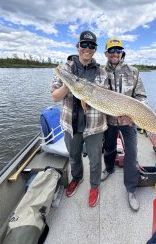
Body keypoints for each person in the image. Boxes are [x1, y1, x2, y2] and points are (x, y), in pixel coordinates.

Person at [51, 31, 108, 207]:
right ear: (78, 47)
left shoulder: (101, 72)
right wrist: (70, 85)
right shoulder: (65, 68)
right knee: (74, 156)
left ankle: (94, 186)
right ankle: (77, 178)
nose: (87, 49)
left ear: (95, 50)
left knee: (96, 159)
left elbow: (105, 98)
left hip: (95, 126)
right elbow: (55, 96)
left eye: (91, 46)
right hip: (71, 123)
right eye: (84, 45)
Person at [101, 38, 148, 211]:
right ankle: (109, 168)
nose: (115, 53)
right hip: (109, 119)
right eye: (111, 50)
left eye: (118, 50)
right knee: (109, 147)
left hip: (129, 121)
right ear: (106, 53)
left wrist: (132, 116)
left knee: (132, 153)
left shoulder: (133, 71)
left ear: (122, 52)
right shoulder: (99, 72)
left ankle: (131, 189)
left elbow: (142, 97)